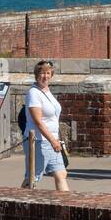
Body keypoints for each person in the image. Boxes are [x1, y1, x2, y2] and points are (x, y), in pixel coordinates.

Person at [21, 60, 69, 191]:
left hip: (53, 141)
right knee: (32, 179)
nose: (45, 76)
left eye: (48, 73)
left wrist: (56, 140)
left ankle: (65, 206)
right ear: (37, 75)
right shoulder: (33, 93)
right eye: (42, 73)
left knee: (61, 174)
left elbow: (53, 117)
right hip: (38, 141)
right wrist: (53, 140)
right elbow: (38, 121)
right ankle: (20, 204)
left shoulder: (47, 91)